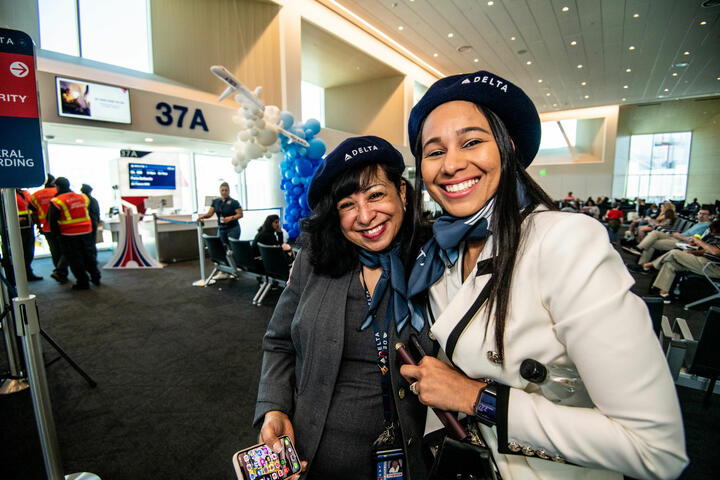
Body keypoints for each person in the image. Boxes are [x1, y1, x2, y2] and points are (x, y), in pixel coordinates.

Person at [400, 69, 687, 479]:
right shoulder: (439, 255)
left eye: (472, 142)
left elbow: (656, 449)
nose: (452, 164)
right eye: (434, 151)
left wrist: (477, 399)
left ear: (509, 148)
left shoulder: (566, 241)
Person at [254, 136, 431, 480]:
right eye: (347, 204)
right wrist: (273, 407)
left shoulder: (437, 264)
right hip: (311, 454)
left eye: (377, 194)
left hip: (404, 457)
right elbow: (278, 341)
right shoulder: (314, 261)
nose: (365, 216)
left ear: (403, 193)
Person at [641, 219, 720, 303]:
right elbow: (706, 250)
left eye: (714, 233)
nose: (712, 234)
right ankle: (664, 295)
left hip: (713, 268)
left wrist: (699, 241)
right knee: (671, 263)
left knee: (674, 253)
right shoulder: (716, 238)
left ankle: (649, 265)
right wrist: (693, 252)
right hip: (704, 262)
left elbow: (715, 252)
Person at [48, 177, 101, 290]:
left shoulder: (57, 201)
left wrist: (57, 234)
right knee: (88, 255)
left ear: (58, 187)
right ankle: (95, 276)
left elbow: (52, 220)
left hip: (69, 234)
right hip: (86, 231)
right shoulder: (82, 197)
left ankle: (83, 282)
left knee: (75, 258)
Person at [629, 208, 712, 265]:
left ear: (710, 216)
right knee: (654, 232)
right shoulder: (698, 224)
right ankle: (639, 248)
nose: (701, 215)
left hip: (681, 241)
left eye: (704, 214)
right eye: (700, 213)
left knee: (652, 243)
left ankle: (642, 264)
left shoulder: (707, 226)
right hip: (677, 237)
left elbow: (694, 241)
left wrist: (680, 236)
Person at [30, 175, 67, 282]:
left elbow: (34, 213)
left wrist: (38, 225)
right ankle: (62, 271)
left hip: (46, 228)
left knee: (54, 250)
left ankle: (60, 272)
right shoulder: (59, 191)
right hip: (62, 227)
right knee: (65, 250)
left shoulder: (35, 195)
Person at [197, 182, 243, 247]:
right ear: (220, 191)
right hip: (221, 229)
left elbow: (240, 214)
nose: (224, 192)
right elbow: (209, 214)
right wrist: (202, 217)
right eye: (222, 190)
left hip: (233, 229)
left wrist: (230, 218)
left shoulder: (234, 202)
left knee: (232, 248)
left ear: (229, 191)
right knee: (221, 248)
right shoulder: (216, 202)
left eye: (226, 190)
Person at [16, 188, 43, 281]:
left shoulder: (25, 192)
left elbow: (31, 207)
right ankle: (20, 276)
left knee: (29, 252)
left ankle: (28, 273)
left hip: (29, 225)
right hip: (16, 227)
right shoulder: (5, 193)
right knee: (19, 253)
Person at [80, 183, 101, 263]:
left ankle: (87, 259)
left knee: (85, 243)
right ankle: (93, 259)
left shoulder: (81, 200)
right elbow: (97, 212)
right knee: (92, 242)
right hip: (93, 223)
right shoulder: (94, 200)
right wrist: (97, 221)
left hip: (84, 224)